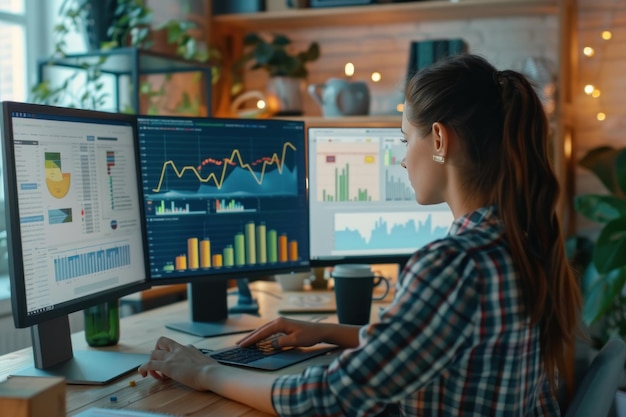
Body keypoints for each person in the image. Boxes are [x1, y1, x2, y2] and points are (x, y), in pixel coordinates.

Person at [138, 53, 582, 416]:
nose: (403, 161)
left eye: (406, 140)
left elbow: (332, 398)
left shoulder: (455, 264)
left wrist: (204, 372)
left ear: (441, 140)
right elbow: (433, 342)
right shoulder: (521, 242)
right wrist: (333, 332)